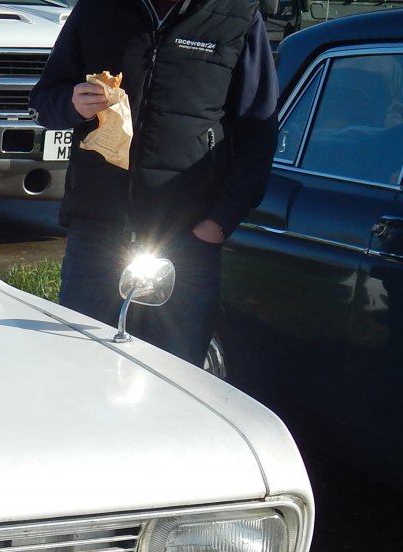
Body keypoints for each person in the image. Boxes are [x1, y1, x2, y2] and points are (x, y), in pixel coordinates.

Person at [29, 0, 278, 365]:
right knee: (79, 366)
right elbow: (43, 101)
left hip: (186, 240)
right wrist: (71, 103)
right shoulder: (97, 9)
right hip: (97, 233)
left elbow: (259, 132)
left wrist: (220, 222)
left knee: (175, 372)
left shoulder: (237, 16)